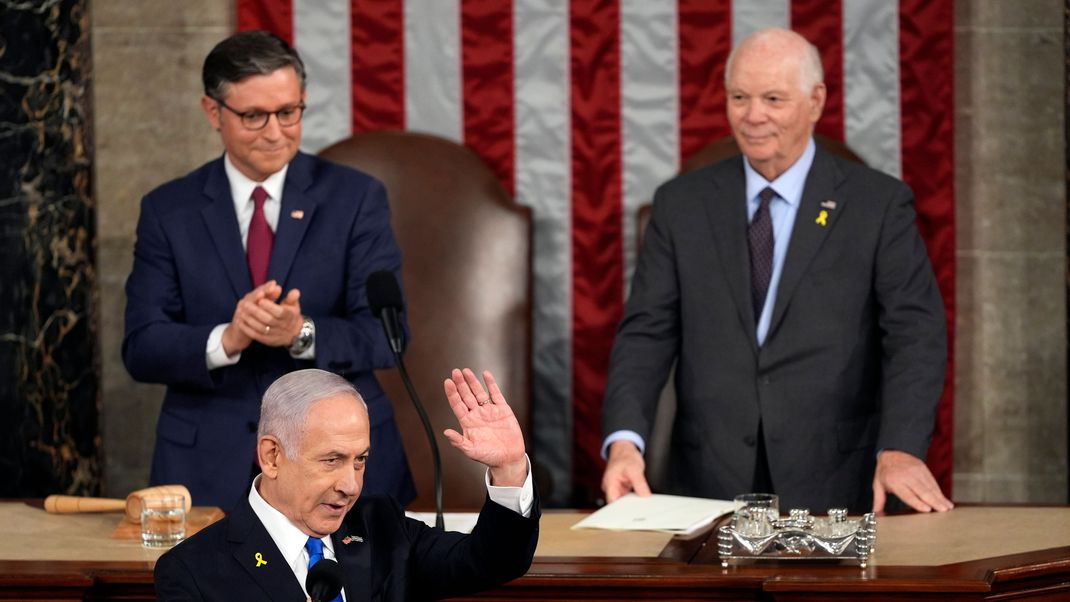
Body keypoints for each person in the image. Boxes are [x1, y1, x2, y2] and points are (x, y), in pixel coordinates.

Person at [600, 28, 954, 515]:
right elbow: (646, 335)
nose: (753, 116)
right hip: (708, 486)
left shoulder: (877, 205)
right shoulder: (682, 204)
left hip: (838, 484)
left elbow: (916, 335)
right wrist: (624, 442)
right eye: (739, 97)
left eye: (772, 98)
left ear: (815, 101)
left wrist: (901, 448)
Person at [123, 31, 415, 511]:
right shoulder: (167, 210)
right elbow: (141, 347)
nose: (275, 132)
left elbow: (385, 336)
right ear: (213, 112)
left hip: (338, 468)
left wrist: (299, 332)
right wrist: (228, 339)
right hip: (206, 467)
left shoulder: (356, 199)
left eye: (288, 112)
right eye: (254, 116)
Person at [154, 367, 538, 600]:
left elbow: (491, 561)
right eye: (332, 460)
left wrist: (508, 469)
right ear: (271, 456)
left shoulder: (382, 527)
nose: (351, 485)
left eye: (361, 461)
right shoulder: (193, 571)